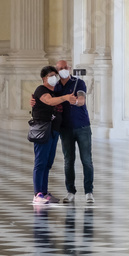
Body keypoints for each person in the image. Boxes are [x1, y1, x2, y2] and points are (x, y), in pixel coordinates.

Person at [31, 60, 95, 204]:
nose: (63, 70)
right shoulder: (56, 86)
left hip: (82, 126)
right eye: (60, 69)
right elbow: (46, 99)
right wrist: (34, 99)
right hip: (63, 128)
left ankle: (89, 192)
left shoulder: (78, 83)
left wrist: (77, 101)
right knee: (67, 161)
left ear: (69, 68)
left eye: (65, 67)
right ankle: (69, 192)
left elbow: (82, 99)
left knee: (86, 160)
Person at [31, 66, 77, 205]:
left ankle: (44, 192)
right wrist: (65, 98)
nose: (54, 78)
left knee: (48, 163)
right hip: (43, 130)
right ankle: (37, 194)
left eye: (55, 75)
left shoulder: (56, 91)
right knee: (40, 162)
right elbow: (49, 101)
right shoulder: (41, 90)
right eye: (51, 75)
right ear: (44, 78)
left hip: (54, 130)